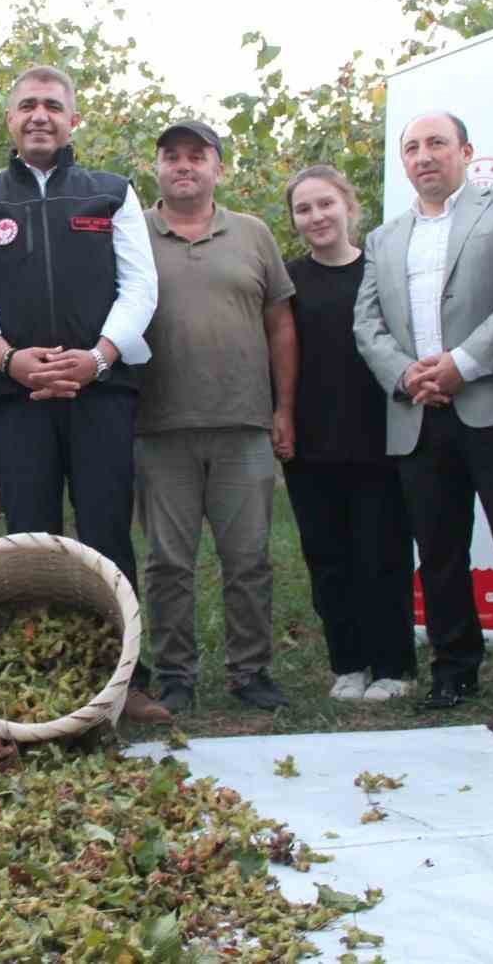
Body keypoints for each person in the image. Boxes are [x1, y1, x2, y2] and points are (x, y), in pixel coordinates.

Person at [0, 64, 169, 724]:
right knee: (30, 542)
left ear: (73, 120)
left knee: (105, 536)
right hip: (18, 399)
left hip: (102, 393)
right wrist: (9, 360)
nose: (39, 115)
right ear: (10, 120)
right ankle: (44, 681)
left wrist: (98, 358)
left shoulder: (112, 193)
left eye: (52, 106)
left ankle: (123, 681)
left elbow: (141, 288)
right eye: (27, 106)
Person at [355, 111, 493, 713]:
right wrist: (407, 375)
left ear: (466, 150)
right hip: (417, 413)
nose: (423, 156)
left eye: (436, 143)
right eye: (412, 147)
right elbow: (367, 323)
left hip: (489, 404)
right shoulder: (383, 237)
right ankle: (453, 668)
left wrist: (463, 363)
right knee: (440, 549)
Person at [134, 121, 298, 712]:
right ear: (156, 168)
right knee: (167, 563)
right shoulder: (131, 235)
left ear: (217, 169)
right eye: (171, 156)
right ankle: (175, 673)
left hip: (243, 424)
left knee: (249, 558)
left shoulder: (252, 235)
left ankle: (250, 671)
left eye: (197, 156)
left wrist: (284, 409)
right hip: (158, 426)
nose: (184, 165)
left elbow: (280, 324)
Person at [281, 166, 417, 702]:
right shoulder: (288, 284)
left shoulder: (382, 272)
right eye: (304, 208)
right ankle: (349, 663)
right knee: (327, 556)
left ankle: (393, 666)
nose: (316, 217)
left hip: (379, 439)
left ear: (348, 207)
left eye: (325, 204)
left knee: (381, 553)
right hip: (311, 443)